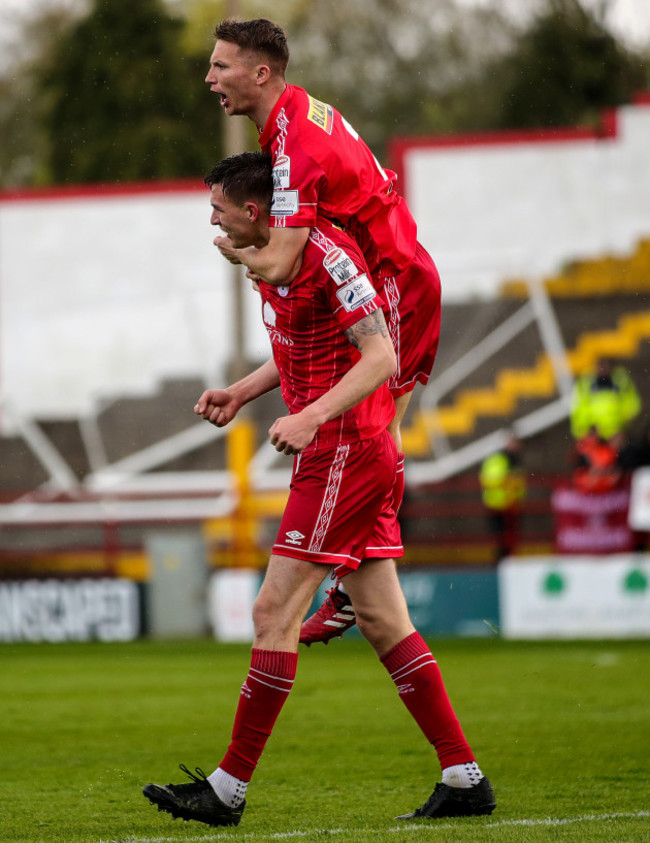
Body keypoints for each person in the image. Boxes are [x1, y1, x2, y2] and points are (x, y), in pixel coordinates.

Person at [142, 152, 495, 828]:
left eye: (218, 208)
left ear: (253, 209)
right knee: (386, 620)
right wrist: (242, 393)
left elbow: (381, 356)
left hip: (345, 450)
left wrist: (310, 415)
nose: (210, 220)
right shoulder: (275, 258)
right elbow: (298, 345)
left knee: (272, 611)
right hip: (348, 449)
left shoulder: (328, 255)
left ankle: (228, 788)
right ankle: (463, 773)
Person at [204, 17, 442, 645]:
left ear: (261, 73)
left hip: (395, 282)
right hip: (399, 271)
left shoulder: (295, 145)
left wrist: (240, 255)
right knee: (378, 440)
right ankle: (353, 579)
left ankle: (345, 577)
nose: (210, 78)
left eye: (221, 66)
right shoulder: (291, 121)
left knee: (376, 437)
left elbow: (282, 259)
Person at [479, 432, 525, 562]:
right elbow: (491, 480)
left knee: (510, 541)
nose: (516, 446)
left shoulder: (514, 460)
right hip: (498, 506)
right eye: (513, 442)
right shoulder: (498, 459)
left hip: (511, 506)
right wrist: (508, 483)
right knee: (501, 541)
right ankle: (500, 565)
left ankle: (506, 564)